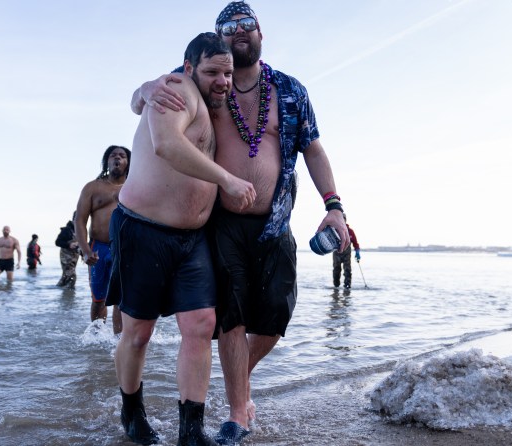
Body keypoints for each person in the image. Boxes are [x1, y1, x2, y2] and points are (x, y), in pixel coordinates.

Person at [131, 2, 350, 444]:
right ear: (217, 41)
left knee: (273, 320)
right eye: (228, 28)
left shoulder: (289, 90)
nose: (238, 32)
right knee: (229, 320)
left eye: (246, 25)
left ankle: (233, 385)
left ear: (260, 33)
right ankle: (236, 414)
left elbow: (314, 150)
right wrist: (148, 86)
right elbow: (143, 102)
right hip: (221, 221)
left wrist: (335, 204)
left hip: (273, 222)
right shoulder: (200, 77)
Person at [107, 32, 255, 446]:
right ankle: (132, 412)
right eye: (212, 72)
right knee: (138, 332)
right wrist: (226, 179)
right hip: (144, 230)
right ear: (188, 68)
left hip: (193, 240)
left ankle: (191, 430)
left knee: (201, 324)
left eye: (227, 73)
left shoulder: (214, 102)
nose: (222, 81)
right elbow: (166, 145)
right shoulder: (174, 90)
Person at [75, 145, 130, 335]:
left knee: (121, 298)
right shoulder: (92, 187)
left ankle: (118, 342)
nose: (118, 159)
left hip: (124, 250)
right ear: (106, 161)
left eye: (122, 156)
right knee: (98, 298)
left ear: (128, 162)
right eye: (113, 155)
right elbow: (79, 220)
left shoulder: (135, 186)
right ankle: (97, 340)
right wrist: (85, 250)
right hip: (98, 248)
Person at [332, 213, 361, 289]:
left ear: (345, 220)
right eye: (341, 219)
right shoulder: (334, 230)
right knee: (336, 269)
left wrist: (357, 252)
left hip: (347, 254)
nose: (342, 220)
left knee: (347, 269)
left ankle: (347, 286)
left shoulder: (350, 231)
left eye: (344, 219)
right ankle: (336, 286)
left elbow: (355, 243)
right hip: (337, 253)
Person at [55, 213, 80, 288]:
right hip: (66, 258)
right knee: (72, 277)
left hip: (74, 258)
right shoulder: (66, 230)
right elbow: (57, 242)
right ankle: (69, 297)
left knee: (65, 277)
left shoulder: (79, 230)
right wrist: (69, 245)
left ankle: (60, 292)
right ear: (74, 218)